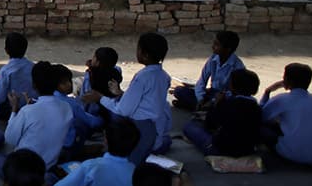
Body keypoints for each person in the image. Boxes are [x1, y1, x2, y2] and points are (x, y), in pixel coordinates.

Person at [84, 33, 172, 165]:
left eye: (138, 49)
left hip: (140, 127)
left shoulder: (142, 77)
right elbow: (146, 101)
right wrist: (121, 94)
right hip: (155, 127)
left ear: (145, 55)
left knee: (130, 161)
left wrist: (100, 97)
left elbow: (123, 110)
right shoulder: (164, 76)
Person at [0, 61, 73, 174]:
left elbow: (10, 139)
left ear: (34, 85)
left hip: (23, 168)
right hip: (48, 165)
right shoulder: (67, 108)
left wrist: (14, 109)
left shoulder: (27, 111)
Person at [260, 62, 312, 166]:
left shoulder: (282, 99)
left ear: (287, 80)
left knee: (261, 129)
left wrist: (267, 92)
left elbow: (260, 116)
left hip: (292, 155)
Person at [183, 68, 262, 157]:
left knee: (190, 126)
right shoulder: (257, 107)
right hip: (247, 150)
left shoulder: (229, 104)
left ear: (233, 86)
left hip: (220, 149)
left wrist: (217, 104)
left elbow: (210, 124)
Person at [172, 30, 244, 111]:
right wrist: (200, 98)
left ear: (228, 49)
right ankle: (202, 108)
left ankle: (198, 108)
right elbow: (202, 81)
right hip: (211, 93)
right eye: (214, 43)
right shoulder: (213, 59)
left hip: (224, 98)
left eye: (217, 45)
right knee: (178, 91)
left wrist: (213, 101)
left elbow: (235, 92)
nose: (213, 46)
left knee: (227, 107)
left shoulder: (238, 67)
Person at [54, 64, 104, 160]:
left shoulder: (46, 98)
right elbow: (92, 122)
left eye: (69, 80)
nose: (69, 84)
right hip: (66, 146)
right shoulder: (70, 103)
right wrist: (103, 120)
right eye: (64, 83)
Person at [0, 32, 34, 120]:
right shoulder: (33, 67)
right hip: (32, 106)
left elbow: (0, 98)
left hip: (14, 108)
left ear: (6, 50)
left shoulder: (5, 71)